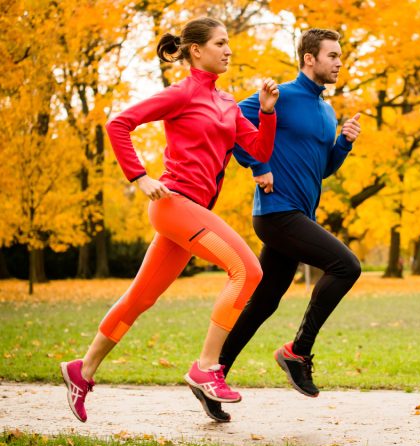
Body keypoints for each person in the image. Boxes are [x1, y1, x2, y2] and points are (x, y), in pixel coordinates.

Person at [59, 17, 280, 423]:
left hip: (192, 214)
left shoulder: (228, 103)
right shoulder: (180, 94)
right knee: (247, 270)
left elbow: (259, 150)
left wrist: (267, 112)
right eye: (220, 43)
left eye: (228, 43)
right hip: (173, 203)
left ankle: (82, 369)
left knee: (141, 297)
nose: (228, 50)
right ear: (196, 50)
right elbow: (119, 124)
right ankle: (206, 367)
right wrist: (139, 177)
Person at [195, 28, 362, 422]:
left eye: (340, 56)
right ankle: (298, 351)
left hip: (298, 215)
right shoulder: (281, 95)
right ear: (309, 59)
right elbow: (231, 122)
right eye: (332, 55)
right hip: (276, 213)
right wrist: (259, 166)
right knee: (347, 265)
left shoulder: (326, 111)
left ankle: (211, 375)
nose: (339, 62)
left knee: (264, 302)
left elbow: (322, 171)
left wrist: (343, 144)